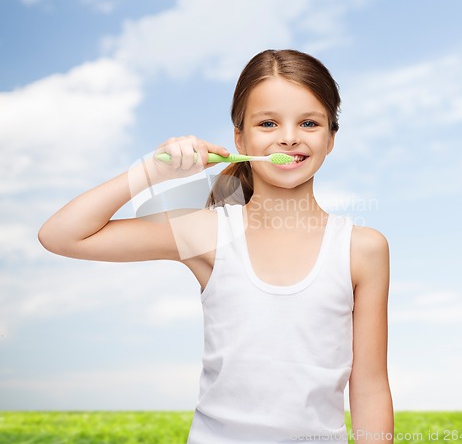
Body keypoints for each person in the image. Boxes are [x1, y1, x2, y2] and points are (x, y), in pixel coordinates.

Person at [38, 49, 394, 443]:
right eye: (268, 122)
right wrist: (152, 172)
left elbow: (370, 385)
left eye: (309, 122)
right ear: (240, 137)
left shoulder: (361, 248)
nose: (289, 137)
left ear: (331, 139)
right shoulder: (206, 233)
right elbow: (61, 235)